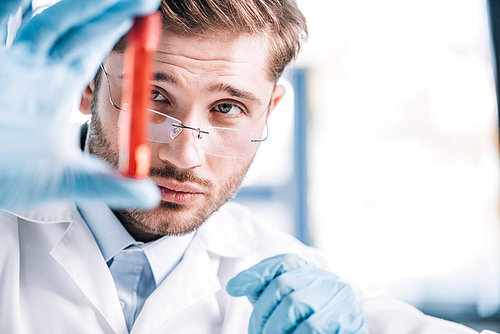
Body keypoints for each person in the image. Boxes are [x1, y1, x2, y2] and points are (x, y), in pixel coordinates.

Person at [0, 0, 495, 333]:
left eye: (228, 108)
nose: (184, 156)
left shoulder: (298, 293)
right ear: (89, 85)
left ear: (270, 111)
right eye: (154, 97)